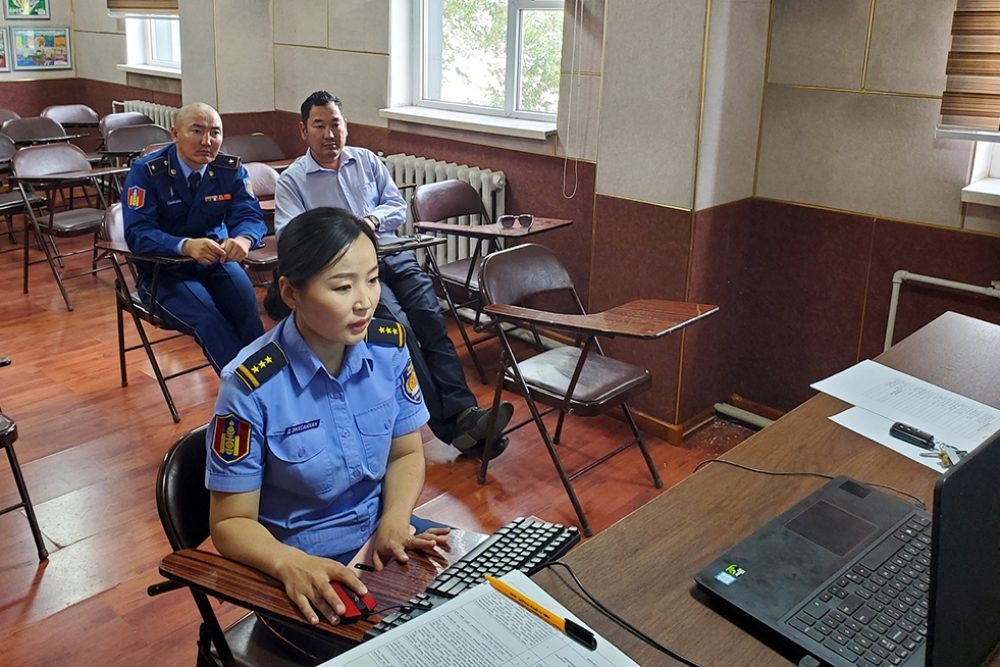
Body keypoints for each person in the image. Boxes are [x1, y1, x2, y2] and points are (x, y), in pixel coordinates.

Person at [206, 207, 449, 659]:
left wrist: (395, 519)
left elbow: (405, 453)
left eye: (372, 280)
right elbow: (229, 523)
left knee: (472, 615)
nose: (365, 301)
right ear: (290, 293)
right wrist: (290, 563)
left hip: (381, 541)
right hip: (303, 569)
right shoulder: (250, 386)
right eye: (342, 287)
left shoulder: (387, 347)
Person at [274, 90, 512, 459]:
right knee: (401, 331)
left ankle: (466, 412)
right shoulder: (293, 180)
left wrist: (372, 219)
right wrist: (341, 236)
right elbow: (289, 235)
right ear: (303, 130)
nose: (329, 134)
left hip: (393, 253)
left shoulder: (366, 161)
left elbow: (396, 206)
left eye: (335, 124)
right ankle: (453, 426)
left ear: (346, 126)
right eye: (319, 126)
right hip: (350, 272)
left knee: (431, 320)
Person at [121, 102, 266, 372]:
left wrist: (244, 239)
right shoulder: (147, 171)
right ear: (175, 134)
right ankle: (244, 386)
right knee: (209, 319)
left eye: (215, 133)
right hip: (163, 271)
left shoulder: (228, 169)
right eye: (197, 131)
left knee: (248, 311)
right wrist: (184, 246)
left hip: (216, 261)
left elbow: (250, 215)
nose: (207, 141)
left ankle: (269, 381)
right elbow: (137, 233)